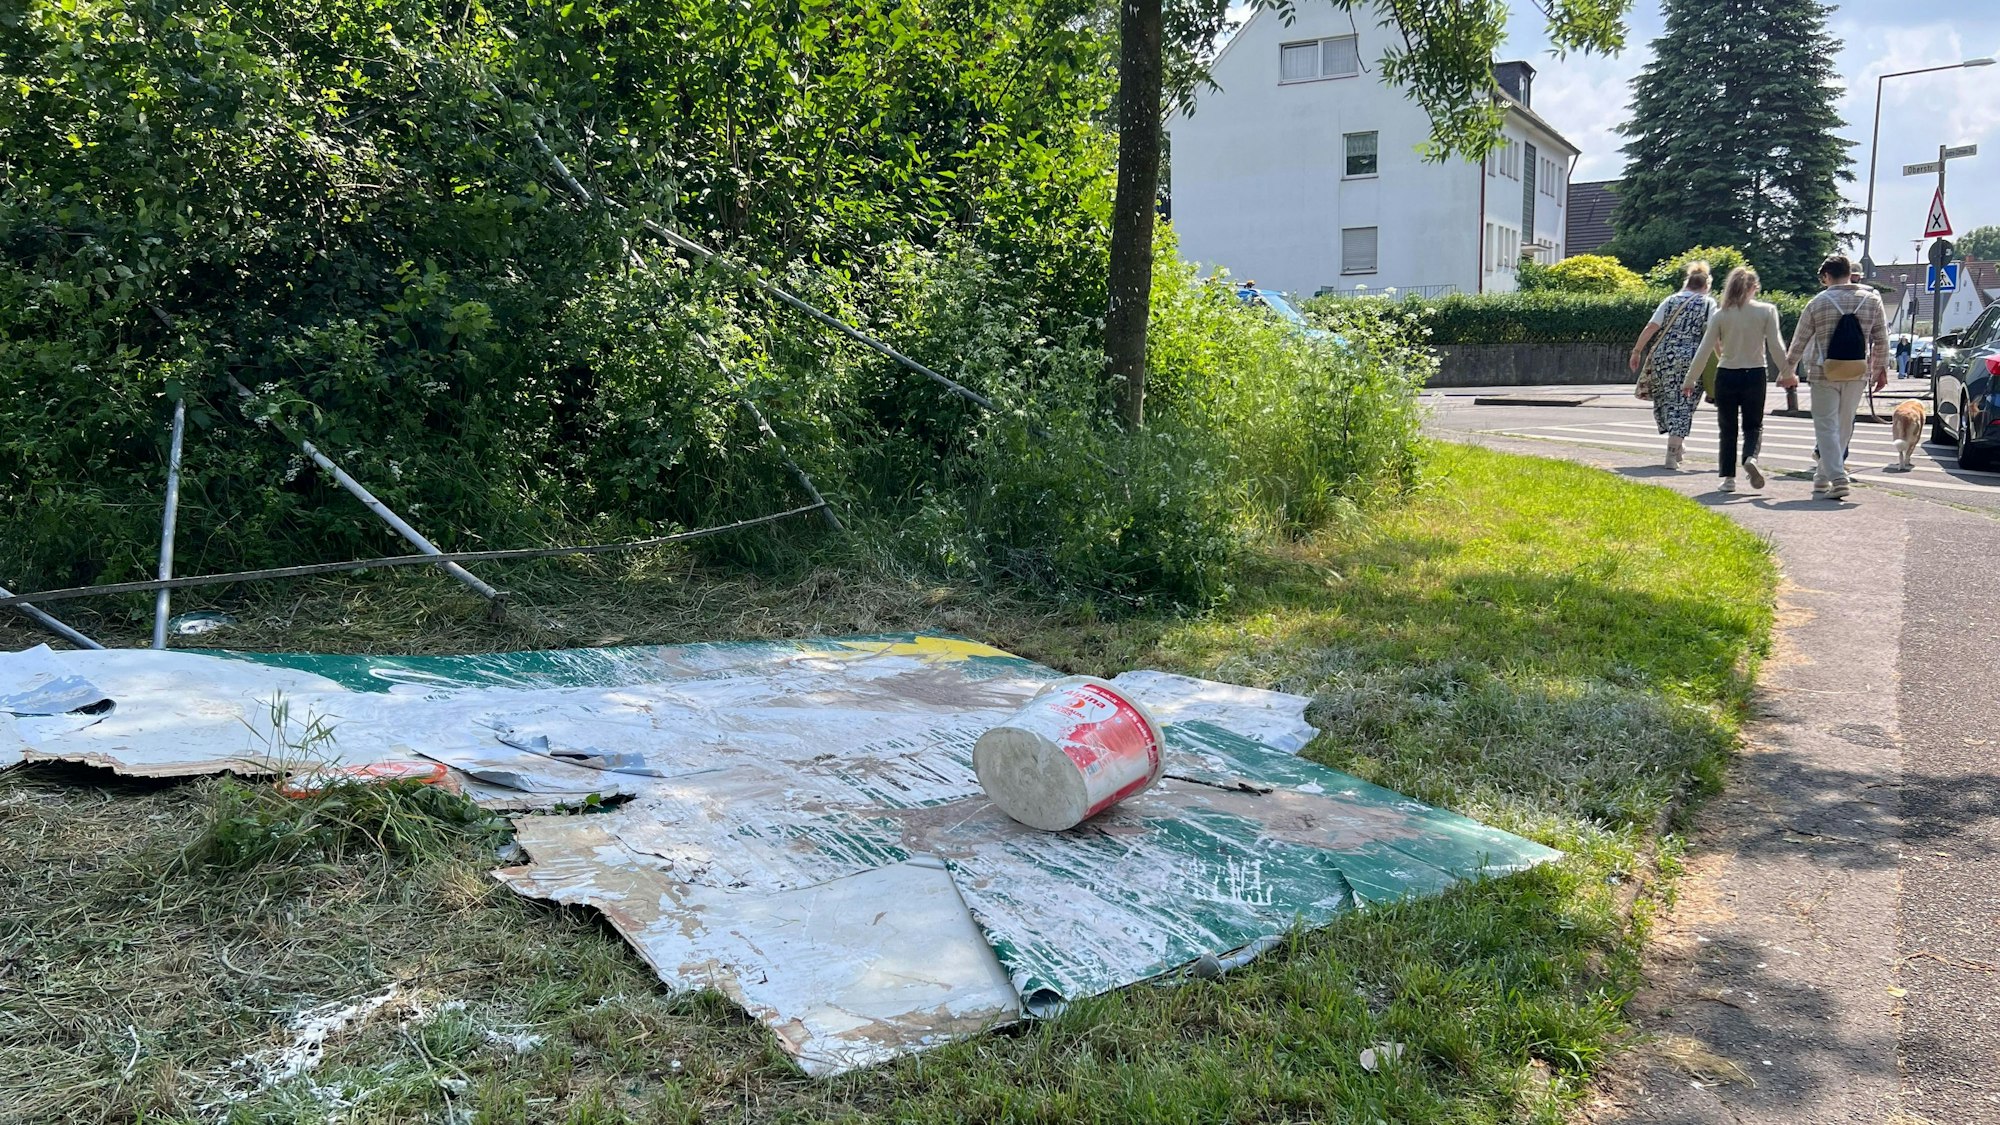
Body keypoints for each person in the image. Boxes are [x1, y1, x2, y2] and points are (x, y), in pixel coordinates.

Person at [1785, 254, 1889, 500]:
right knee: (1844, 426)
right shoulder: (1872, 301)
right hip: (1857, 371)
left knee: (1825, 426)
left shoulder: (1817, 303)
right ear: (1849, 273)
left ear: (1826, 276)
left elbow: (1800, 341)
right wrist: (1879, 370)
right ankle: (1822, 479)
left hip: (1823, 372)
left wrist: (1787, 369)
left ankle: (1838, 477)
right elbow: (1881, 339)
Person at [1684, 266, 1796, 493]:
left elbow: (1704, 350)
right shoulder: (1767, 311)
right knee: (1753, 425)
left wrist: (1690, 380)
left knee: (1727, 429)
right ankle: (1750, 457)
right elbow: (1776, 345)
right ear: (1754, 288)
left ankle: (1728, 479)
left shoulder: (1720, 314)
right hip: (1755, 374)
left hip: (1726, 374)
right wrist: (1787, 373)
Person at [1628, 260, 1716, 468]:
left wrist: (1637, 350)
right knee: (1685, 403)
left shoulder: (1669, 300)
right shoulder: (1707, 303)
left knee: (1668, 399)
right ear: (1706, 286)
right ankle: (1672, 451)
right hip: (1692, 358)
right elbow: (1714, 333)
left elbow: (1652, 326)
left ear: (1687, 282)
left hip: (1663, 356)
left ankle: (1677, 445)